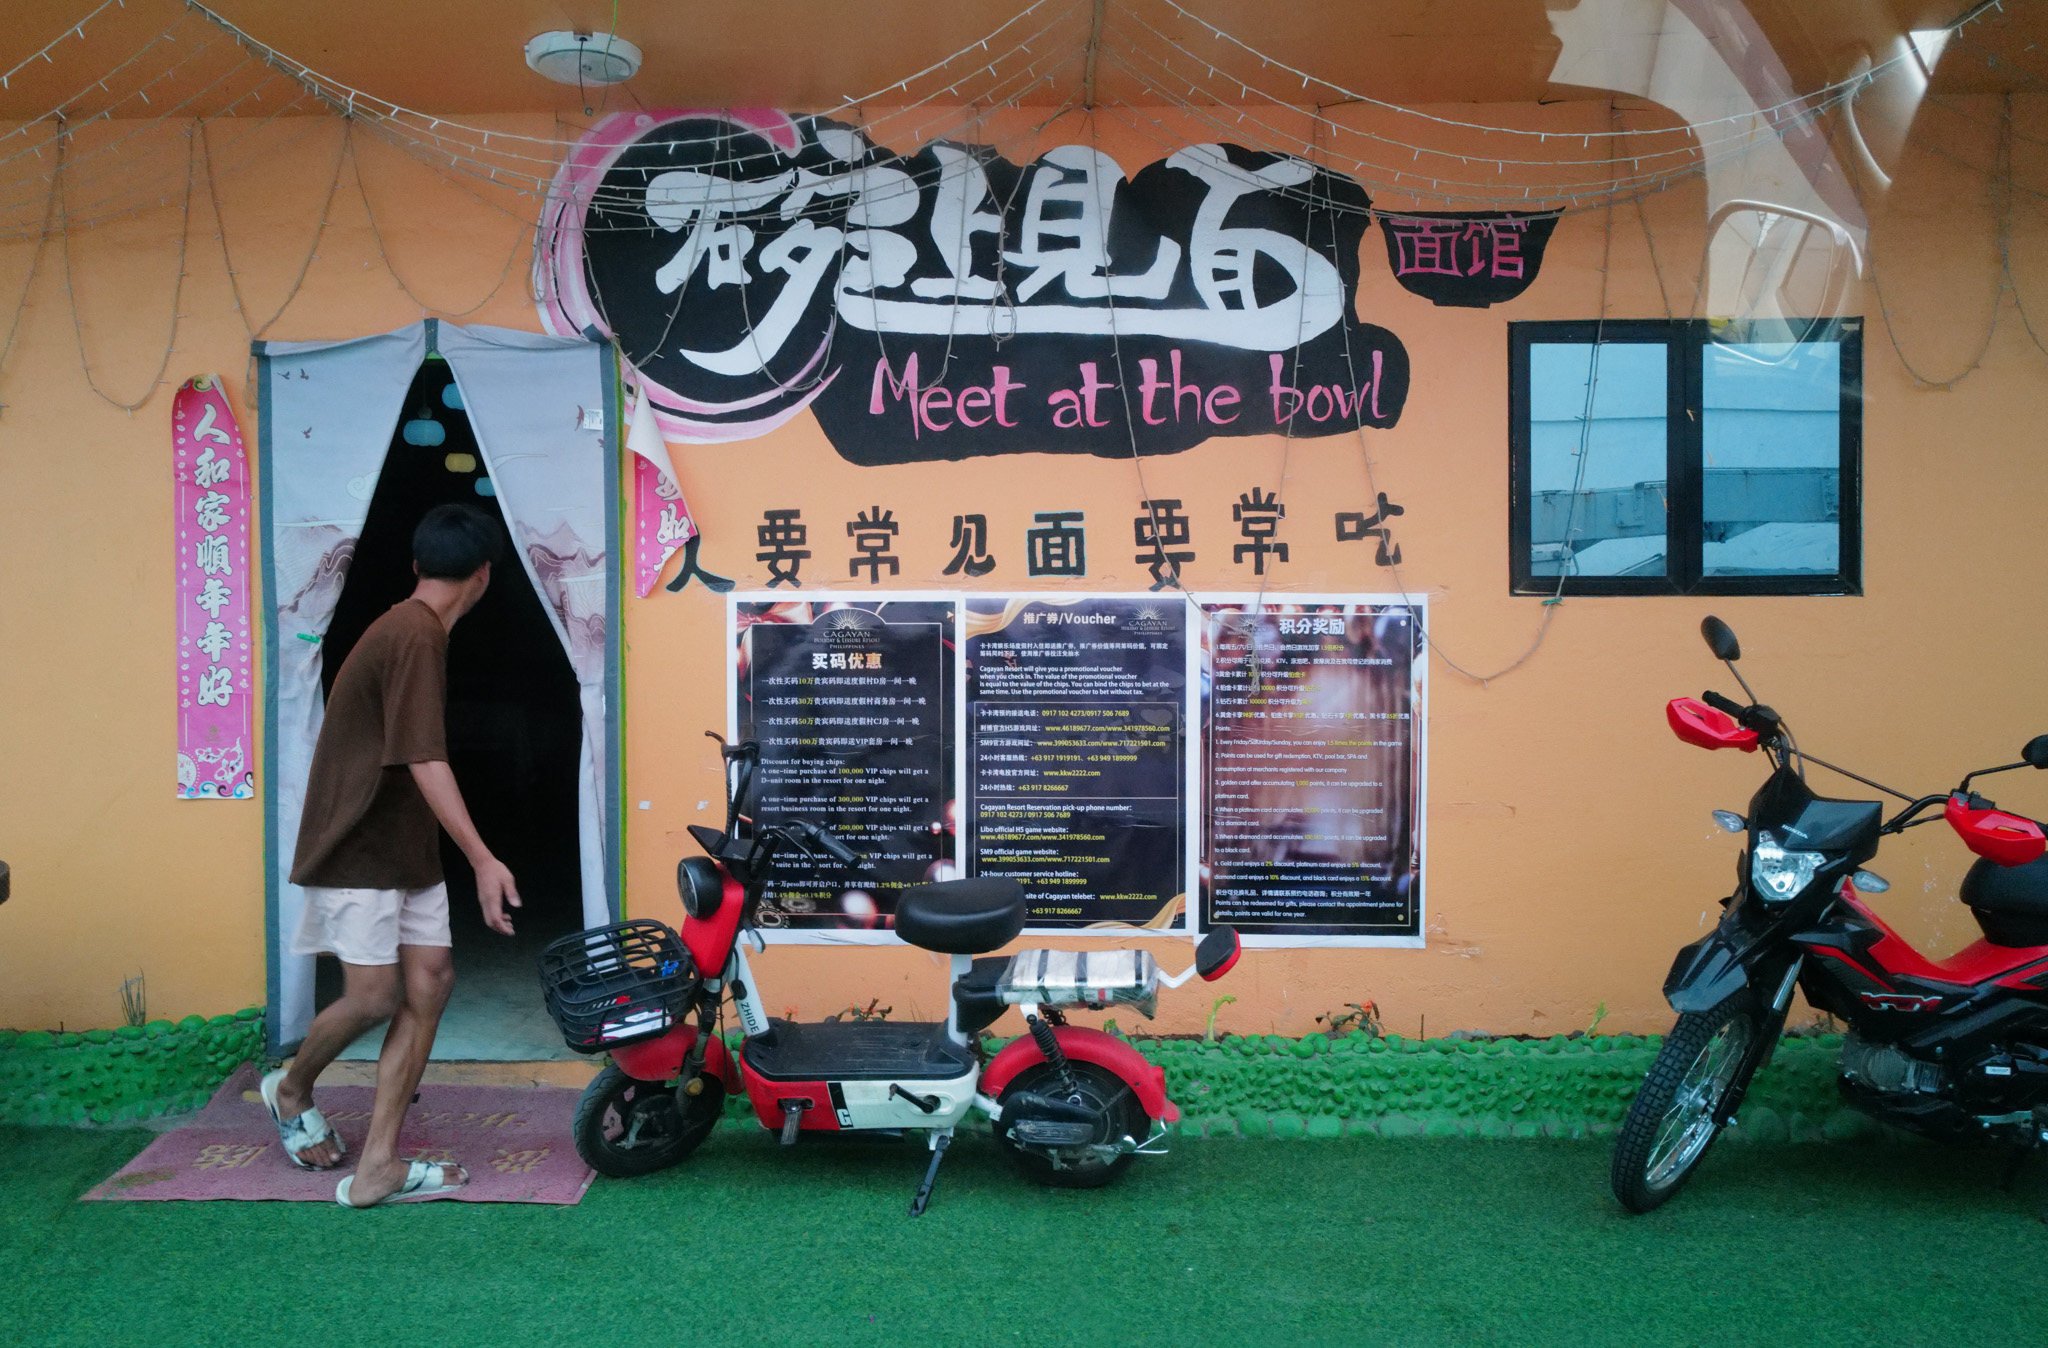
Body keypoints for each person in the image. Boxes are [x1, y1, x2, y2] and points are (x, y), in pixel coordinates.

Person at [260, 503, 522, 1207]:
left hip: (405, 847)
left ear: (417, 565)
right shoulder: (413, 634)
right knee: (374, 996)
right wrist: (483, 859)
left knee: (430, 982)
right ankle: (290, 1087)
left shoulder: (418, 630)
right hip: (358, 844)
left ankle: (378, 1164)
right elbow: (425, 758)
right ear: (486, 575)